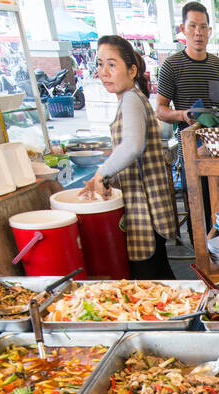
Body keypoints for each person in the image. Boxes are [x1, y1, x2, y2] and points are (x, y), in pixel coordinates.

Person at [79, 36, 177, 279]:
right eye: (100, 64)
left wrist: (101, 173)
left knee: (149, 278)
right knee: (160, 275)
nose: (104, 72)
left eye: (112, 65)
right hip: (148, 204)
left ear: (132, 70)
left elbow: (132, 145)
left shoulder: (132, 99)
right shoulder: (130, 99)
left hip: (145, 207)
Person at [157, 2, 219, 227]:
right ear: (183, 28)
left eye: (203, 27)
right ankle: (200, 260)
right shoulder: (172, 66)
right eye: (192, 26)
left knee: (217, 206)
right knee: (196, 210)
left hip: (217, 150)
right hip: (189, 151)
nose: (198, 32)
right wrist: (184, 116)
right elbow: (160, 110)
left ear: (210, 31)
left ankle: (217, 255)